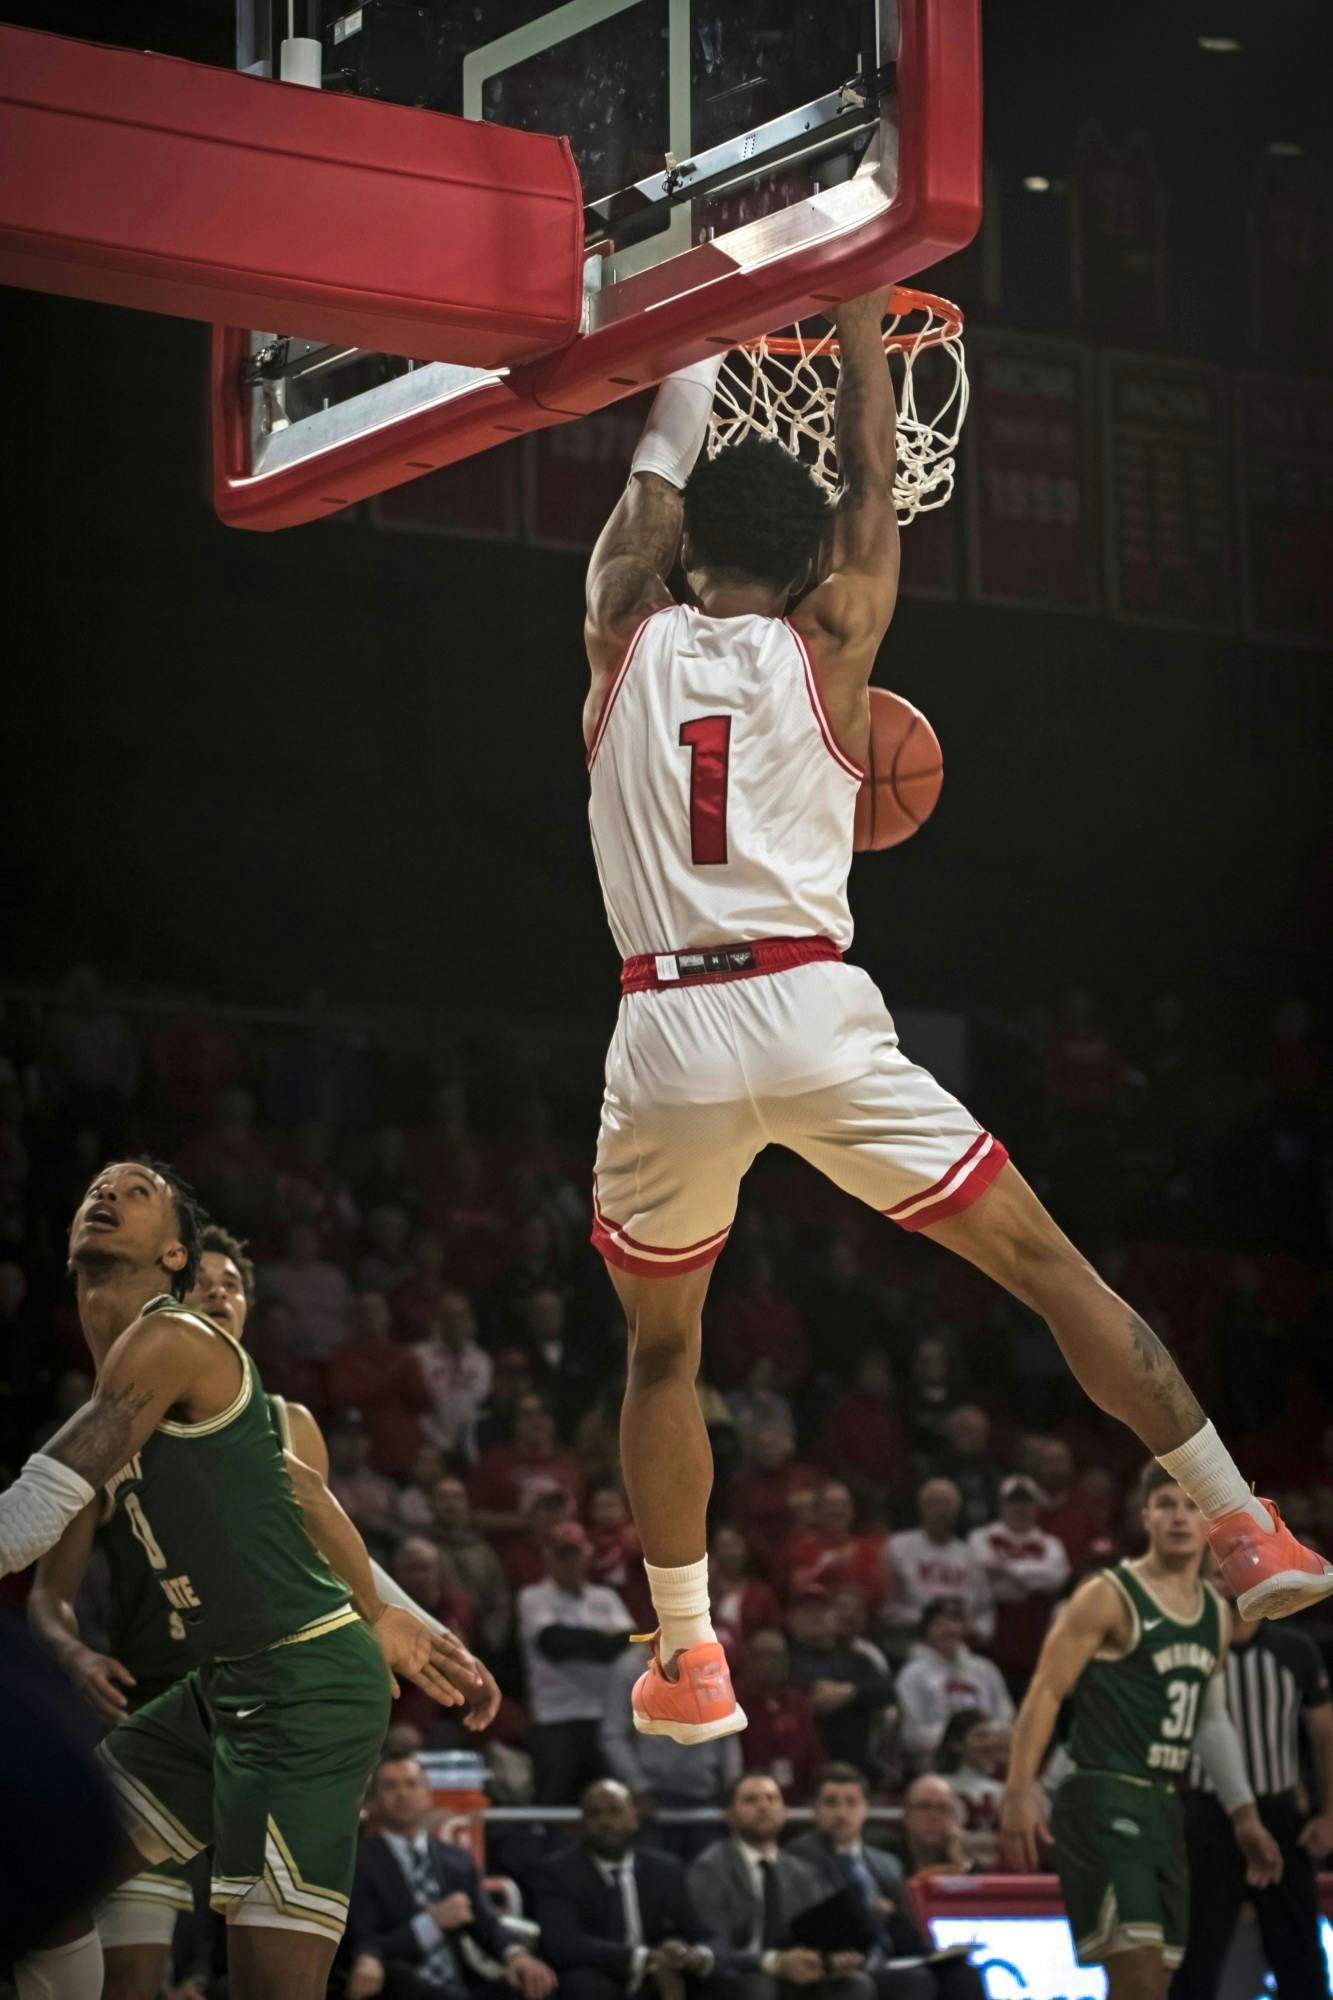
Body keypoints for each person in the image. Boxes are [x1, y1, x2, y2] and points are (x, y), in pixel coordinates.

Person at [578, 291, 1331, 1743]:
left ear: (680, 552)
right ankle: (1244, 1528)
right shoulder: (841, 627)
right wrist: (860, 317)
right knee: (1049, 1269)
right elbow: (870, 472)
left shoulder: (619, 623)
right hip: (806, 1002)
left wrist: (693, 346)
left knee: (662, 1355)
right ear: (808, 569)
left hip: (660, 1023)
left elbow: (653, 473)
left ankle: (689, 1655)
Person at [0, 1161, 490, 2000]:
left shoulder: (171, 1341)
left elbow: (29, 1515)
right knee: (32, 1874)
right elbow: (296, 1494)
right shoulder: (125, 1376)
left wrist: (385, 1612)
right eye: (95, 1186)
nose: (106, 1194)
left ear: (172, 1258)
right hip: (222, 1683)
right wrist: (386, 1613)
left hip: (303, 1685)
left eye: (138, 1190)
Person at [1002, 1466, 1282, 1998]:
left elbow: (1211, 1720)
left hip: (1162, 1804)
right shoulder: (1107, 1594)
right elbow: (1045, 1692)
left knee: (1152, 1982)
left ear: (1211, 1523)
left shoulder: (1216, 1616)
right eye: (1167, 1504)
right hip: (1101, 1796)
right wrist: (1019, 1791)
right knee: (1141, 1981)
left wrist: (1244, 1815)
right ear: (1145, 1515)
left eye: (1192, 1506)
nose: (1179, 1516)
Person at [1171, 1577, 1333, 1999]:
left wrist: (1330, 1813)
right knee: (1196, 1953)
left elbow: (1325, 1734)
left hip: (1280, 1814)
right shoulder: (1188, 1648)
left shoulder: (1295, 1649)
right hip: (1207, 1817)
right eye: (1219, 1572)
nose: (1229, 1582)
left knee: (1299, 1953)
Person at [348, 1752, 556, 2000]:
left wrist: (517, 1955)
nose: (402, 1794)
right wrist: (432, 1923)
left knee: (534, 1983)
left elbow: (487, 1923)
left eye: (411, 1784)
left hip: (460, 1985)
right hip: (401, 1985)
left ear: (428, 1794)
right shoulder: (359, 1862)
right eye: (390, 1787)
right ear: (373, 1801)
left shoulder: (456, 1859)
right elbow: (363, 1944)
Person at [788, 1764, 985, 2000]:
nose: (842, 1813)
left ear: (866, 1809)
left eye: (851, 1803)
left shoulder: (887, 1863)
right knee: (915, 1980)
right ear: (815, 1810)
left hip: (891, 1959)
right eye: (831, 1803)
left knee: (963, 1973)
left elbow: (909, 1931)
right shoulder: (798, 1858)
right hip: (840, 1963)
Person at [687, 1772, 874, 2000]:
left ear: (784, 1811)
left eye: (771, 1798)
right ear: (729, 1815)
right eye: (750, 1800)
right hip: (740, 1975)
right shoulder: (710, 1869)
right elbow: (714, 1949)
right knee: (759, 1986)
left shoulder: (801, 1871)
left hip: (796, 1972)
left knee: (854, 1985)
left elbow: (817, 1938)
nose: (763, 1806)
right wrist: (773, 1962)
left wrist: (832, 1959)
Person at [536, 1779, 714, 2000]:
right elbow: (562, 1944)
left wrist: (694, 1956)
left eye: (615, 1811)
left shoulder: (665, 1869)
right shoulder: (558, 1872)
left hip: (656, 1977)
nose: (606, 1822)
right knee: (582, 1985)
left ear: (634, 1818)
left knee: (721, 1982)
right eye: (595, 1814)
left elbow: (702, 1933)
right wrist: (643, 1958)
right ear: (582, 1824)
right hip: (600, 1974)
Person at [518, 1521, 635, 1804]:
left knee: (613, 1800)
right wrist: (603, 1643)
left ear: (587, 1555)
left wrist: (590, 1644)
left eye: (575, 1554)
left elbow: (629, 1642)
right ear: (549, 1558)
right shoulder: (533, 1597)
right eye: (562, 1555)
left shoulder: (604, 1597)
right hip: (556, 1717)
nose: (570, 1563)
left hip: (605, 1716)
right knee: (553, 1802)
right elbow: (554, 1643)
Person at [967, 1474, 1070, 1688]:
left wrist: (1005, 1569)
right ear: (1002, 1505)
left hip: (1038, 1633)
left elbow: (1055, 1579)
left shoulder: (1051, 1544)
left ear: (1036, 1507)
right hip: (995, 1631)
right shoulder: (981, 1537)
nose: (1020, 1509)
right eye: (1014, 1502)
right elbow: (981, 1575)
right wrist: (1032, 1578)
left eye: (1026, 1503)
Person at [785, 1586, 895, 1778]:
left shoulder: (857, 1658)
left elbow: (888, 1691)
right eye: (806, 1610)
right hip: (802, 1766)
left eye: (821, 1609)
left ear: (833, 1616)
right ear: (792, 1618)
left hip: (857, 1765)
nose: (815, 1616)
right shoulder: (786, 1658)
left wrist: (851, 1692)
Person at [894, 1602, 1012, 1768]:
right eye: (940, 1624)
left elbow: (1005, 1717)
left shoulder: (985, 1669)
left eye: (955, 1622)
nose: (949, 1629)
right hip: (935, 1766)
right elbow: (912, 1735)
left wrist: (985, 1738)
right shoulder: (912, 1675)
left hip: (989, 1762)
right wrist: (959, 1739)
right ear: (926, 1630)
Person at [884, 1484, 993, 1648]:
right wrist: (929, 1621)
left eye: (948, 1504)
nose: (942, 1511)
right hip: (911, 1643)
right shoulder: (898, 1546)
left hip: (961, 1646)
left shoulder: (968, 1555)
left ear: (957, 1511)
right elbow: (887, 1607)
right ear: (921, 1508)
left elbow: (985, 1608)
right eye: (934, 1503)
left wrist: (977, 1630)